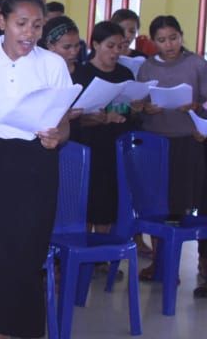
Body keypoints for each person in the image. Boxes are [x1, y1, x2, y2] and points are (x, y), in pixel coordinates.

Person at [0, 0, 71, 338]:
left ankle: (20, 332)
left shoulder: (51, 64)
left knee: (25, 256)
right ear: (1, 21)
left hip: (36, 163)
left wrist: (59, 136)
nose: (29, 33)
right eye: (21, 24)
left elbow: (64, 119)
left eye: (37, 26)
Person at [136, 15, 207, 284]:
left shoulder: (197, 64)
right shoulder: (147, 67)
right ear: (153, 41)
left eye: (174, 38)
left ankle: (188, 262)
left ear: (181, 35)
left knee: (182, 204)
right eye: (162, 40)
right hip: (155, 141)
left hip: (187, 140)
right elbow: (138, 102)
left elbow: (206, 100)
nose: (169, 45)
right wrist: (146, 107)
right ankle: (160, 261)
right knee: (157, 204)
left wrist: (196, 108)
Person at [71, 21, 138, 234]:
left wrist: (137, 107)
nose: (116, 51)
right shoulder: (81, 74)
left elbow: (129, 111)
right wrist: (97, 117)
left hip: (115, 147)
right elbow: (72, 118)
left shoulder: (125, 74)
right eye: (111, 46)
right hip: (87, 146)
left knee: (108, 203)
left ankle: (101, 256)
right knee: (84, 202)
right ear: (96, 44)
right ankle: (81, 254)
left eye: (121, 46)